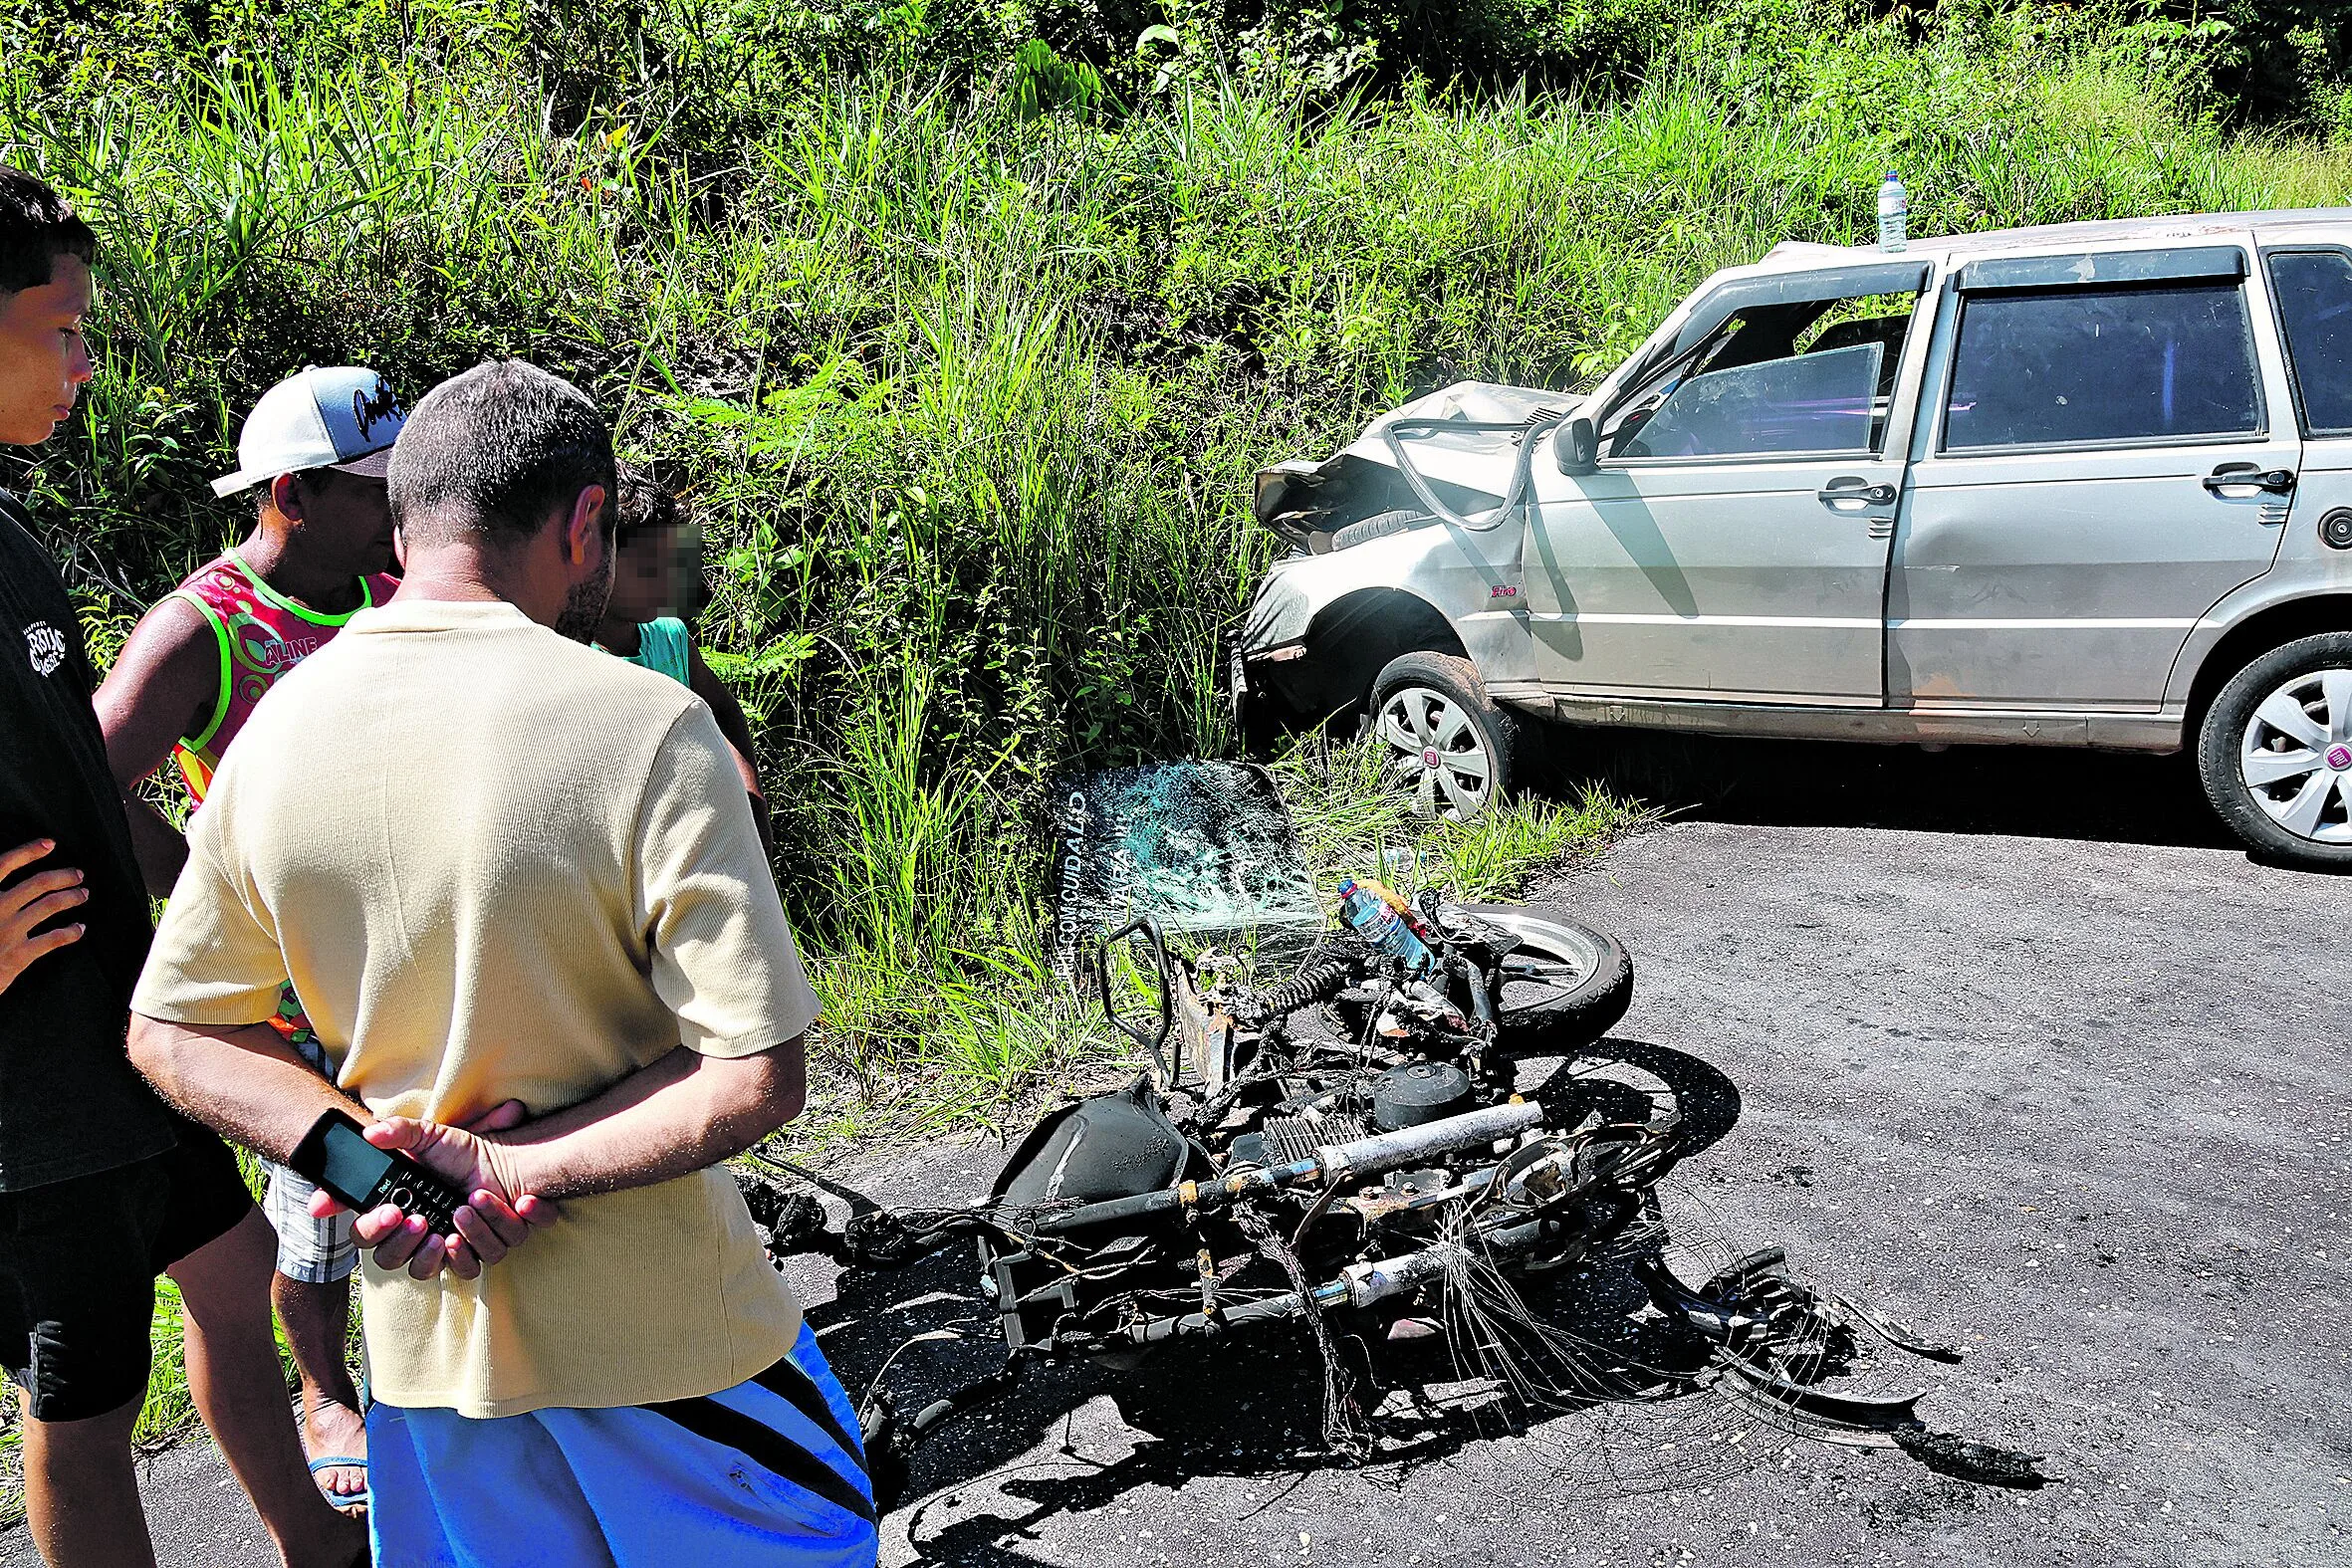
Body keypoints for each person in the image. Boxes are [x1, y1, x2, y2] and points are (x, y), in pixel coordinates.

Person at [125, 359, 877, 1568]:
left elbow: (174, 1031)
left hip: (431, 1374)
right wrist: (505, 1165)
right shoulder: (646, 724)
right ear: (585, 521)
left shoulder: (276, 740)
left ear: (408, 515)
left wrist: (380, 1171)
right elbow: (753, 1072)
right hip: (676, 1348)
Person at [0, 167, 365, 1568]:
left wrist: (214, 900)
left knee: (237, 1272)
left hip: (124, 1029)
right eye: (63, 327)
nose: (87, 361)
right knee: (85, 1401)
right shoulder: (198, 611)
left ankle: (323, 1551)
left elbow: (86, 787)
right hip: (30, 1087)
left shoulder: (12, 536)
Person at [95, 362, 406, 1514]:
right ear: (290, 493)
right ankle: (327, 1393)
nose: (399, 502)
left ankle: (434, 1388)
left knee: (423, 1173)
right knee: (322, 1205)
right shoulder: (206, 629)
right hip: (291, 1001)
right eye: (373, 484)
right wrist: (188, 881)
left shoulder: (400, 588)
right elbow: (92, 775)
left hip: (405, 959)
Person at [596, 462, 774, 854]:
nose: (664, 582)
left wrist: (752, 804)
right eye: (647, 570)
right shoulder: (574, 655)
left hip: (691, 843)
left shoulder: (670, 638)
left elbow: (725, 711)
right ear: (601, 561)